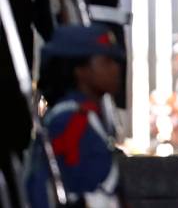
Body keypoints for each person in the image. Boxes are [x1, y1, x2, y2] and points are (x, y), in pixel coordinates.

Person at [26, 24, 125, 208]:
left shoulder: (85, 117)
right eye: (106, 61)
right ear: (80, 70)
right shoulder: (72, 122)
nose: (116, 69)